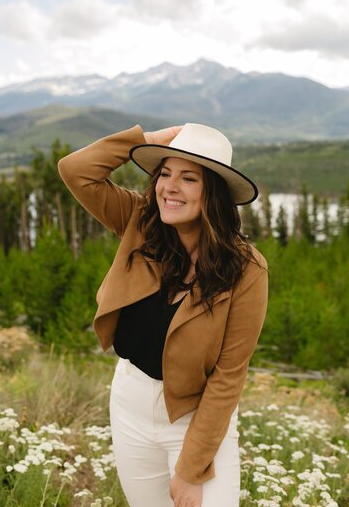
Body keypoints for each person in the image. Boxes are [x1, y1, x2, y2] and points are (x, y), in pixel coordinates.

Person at [57, 122, 268, 507]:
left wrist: (190, 469)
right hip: (130, 403)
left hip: (196, 416)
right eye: (165, 173)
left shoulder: (246, 269)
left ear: (213, 193)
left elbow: (228, 376)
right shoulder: (140, 222)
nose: (170, 187)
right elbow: (76, 170)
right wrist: (147, 141)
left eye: (188, 178)